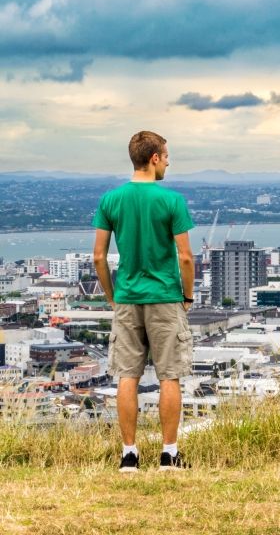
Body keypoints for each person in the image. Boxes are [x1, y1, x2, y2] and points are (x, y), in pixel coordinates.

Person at [92, 130, 195, 472]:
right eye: (166, 156)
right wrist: (188, 297)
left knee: (127, 376)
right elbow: (185, 257)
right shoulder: (172, 201)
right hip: (165, 297)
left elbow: (98, 257)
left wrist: (111, 295)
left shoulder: (111, 200)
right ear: (153, 158)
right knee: (169, 376)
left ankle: (129, 455)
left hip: (127, 298)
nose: (168, 162)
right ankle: (168, 454)